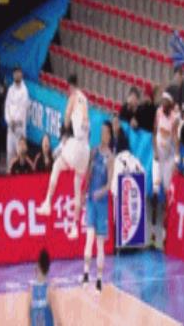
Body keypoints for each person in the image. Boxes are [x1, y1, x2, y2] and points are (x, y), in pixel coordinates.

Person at [37, 74, 91, 240]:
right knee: (77, 187)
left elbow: (66, 122)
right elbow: (85, 125)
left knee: (57, 165)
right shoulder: (85, 99)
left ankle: (48, 202)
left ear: (69, 87)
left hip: (76, 145)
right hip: (85, 149)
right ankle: (74, 227)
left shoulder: (73, 97)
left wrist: (63, 140)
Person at [82, 122, 113, 292]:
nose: (103, 135)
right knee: (89, 237)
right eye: (102, 132)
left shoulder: (110, 158)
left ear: (110, 136)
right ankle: (86, 274)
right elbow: (88, 174)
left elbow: (109, 185)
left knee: (100, 243)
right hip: (91, 202)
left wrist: (100, 192)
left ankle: (99, 279)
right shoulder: (94, 152)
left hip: (101, 203)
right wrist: (84, 192)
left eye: (106, 133)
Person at [151, 92, 179, 246]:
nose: (163, 104)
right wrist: (155, 151)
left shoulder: (174, 118)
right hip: (158, 158)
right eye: (162, 101)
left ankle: (165, 232)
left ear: (170, 103)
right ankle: (153, 231)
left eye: (165, 101)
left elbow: (175, 137)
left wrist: (177, 157)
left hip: (167, 159)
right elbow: (154, 132)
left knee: (168, 195)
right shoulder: (158, 112)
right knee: (155, 192)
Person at [4, 65, 29, 171]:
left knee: (20, 155)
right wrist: (9, 121)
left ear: (21, 74)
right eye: (15, 73)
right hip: (10, 128)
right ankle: (9, 175)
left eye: (18, 72)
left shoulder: (24, 90)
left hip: (19, 129)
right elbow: (7, 107)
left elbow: (22, 109)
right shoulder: (10, 89)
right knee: (10, 154)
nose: (16, 75)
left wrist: (15, 121)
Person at [28, 249, 60, 326]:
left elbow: (28, 319)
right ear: (48, 269)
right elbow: (58, 320)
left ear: (37, 268)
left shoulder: (31, 290)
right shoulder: (49, 291)